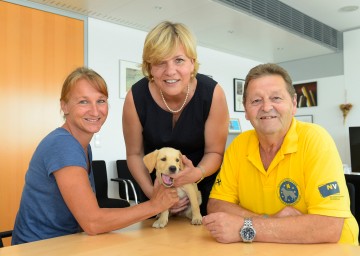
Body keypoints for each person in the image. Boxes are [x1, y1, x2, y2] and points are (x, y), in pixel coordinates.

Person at [12, 67, 179, 245]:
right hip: (39, 248)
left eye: (100, 101)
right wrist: (155, 205)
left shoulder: (81, 145)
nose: (94, 111)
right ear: (64, 106)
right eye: (83, 102)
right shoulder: (63, 145)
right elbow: (92, 222)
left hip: (67, 242)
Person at [203, 63, 359, 245]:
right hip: (269, 248)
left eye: (276, 98)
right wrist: (268, 222)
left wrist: (245, 227)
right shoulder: (238, 145)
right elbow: (216, 205)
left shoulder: (316, 140)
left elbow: (329, 227)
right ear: (245, 109)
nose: (267, 107)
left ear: (293, 104)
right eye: (256, 101)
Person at [122, 21, 229, 215]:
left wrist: (197, 174)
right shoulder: (135, 97)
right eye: (160, 62)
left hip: (201, 192)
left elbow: (215, 152)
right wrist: (154, 195)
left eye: (179, 60)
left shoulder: (213, 93)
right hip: (156, 190)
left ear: (192, 63)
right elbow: (134, 154)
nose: (170, 71)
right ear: (149, 67)